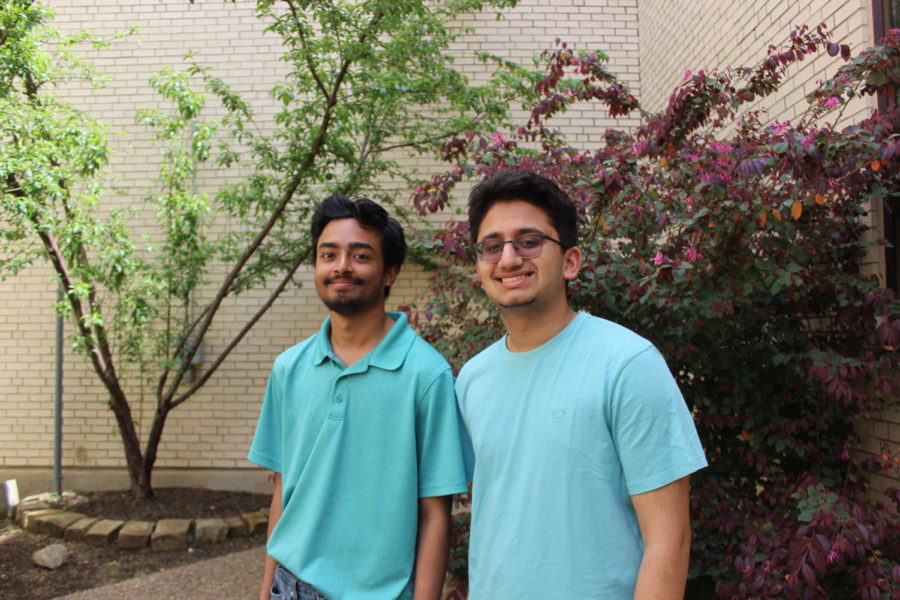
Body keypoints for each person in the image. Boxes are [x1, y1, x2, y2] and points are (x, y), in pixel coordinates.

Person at [455, 170, 708, 599]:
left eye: (529, 241)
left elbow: (669, 541)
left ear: (570, 261)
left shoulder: (628, 364)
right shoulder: (472, 379)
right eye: (492, 246)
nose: (509, 258)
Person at [248, 194, 467, 600]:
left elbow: (436, 513)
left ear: (389, 273)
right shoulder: (288, 369)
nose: (341, 266)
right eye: (328, 254)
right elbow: (284, 490)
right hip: (291, 589)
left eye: (360, 255)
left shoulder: (426, 374)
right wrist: (265, 591)